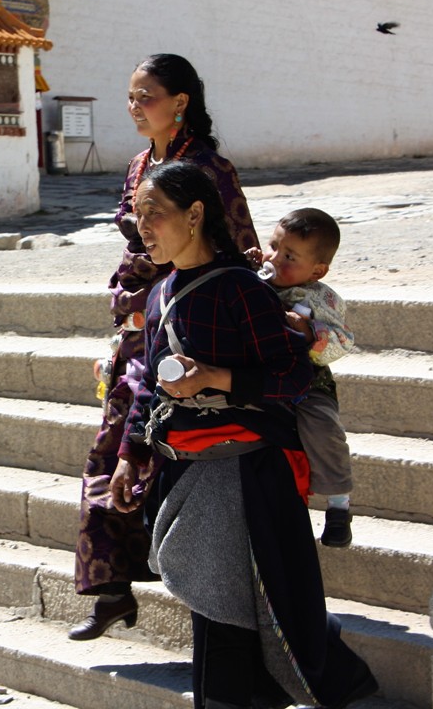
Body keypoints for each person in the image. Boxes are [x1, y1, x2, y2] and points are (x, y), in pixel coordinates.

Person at [110, 161, 378, 709]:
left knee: (237, 611)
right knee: (226, 610)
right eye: (139, 213)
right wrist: (129, 453)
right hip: (188, 470)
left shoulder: (241, 291)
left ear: (196, 214)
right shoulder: (161, 293)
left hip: (249, 474)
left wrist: (216, 379)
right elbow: (147, 388)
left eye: (154, 212)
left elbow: (294, 375)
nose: (144, 226)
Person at [69, 54, 259, 641]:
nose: (134, 107)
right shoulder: (137, 165)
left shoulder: (208, 167)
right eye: (129, 97)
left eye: (145, 96)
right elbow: (139, 246)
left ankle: (214, 600)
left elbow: (241, 250)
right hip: (139, 329)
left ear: (180, 101)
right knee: (111, 452)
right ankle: (110, 589)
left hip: (190, 328)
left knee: (166, 456)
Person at [246, 208, 356, 547]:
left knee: (323, 428)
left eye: (289, 256)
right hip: (259, 378)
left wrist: (308, 331)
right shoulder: (255, 279)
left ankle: (339, 504)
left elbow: (342, 342)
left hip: (307, 384)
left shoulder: (320, 298)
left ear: (317, 270)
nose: (274, 259)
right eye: (272, 246)